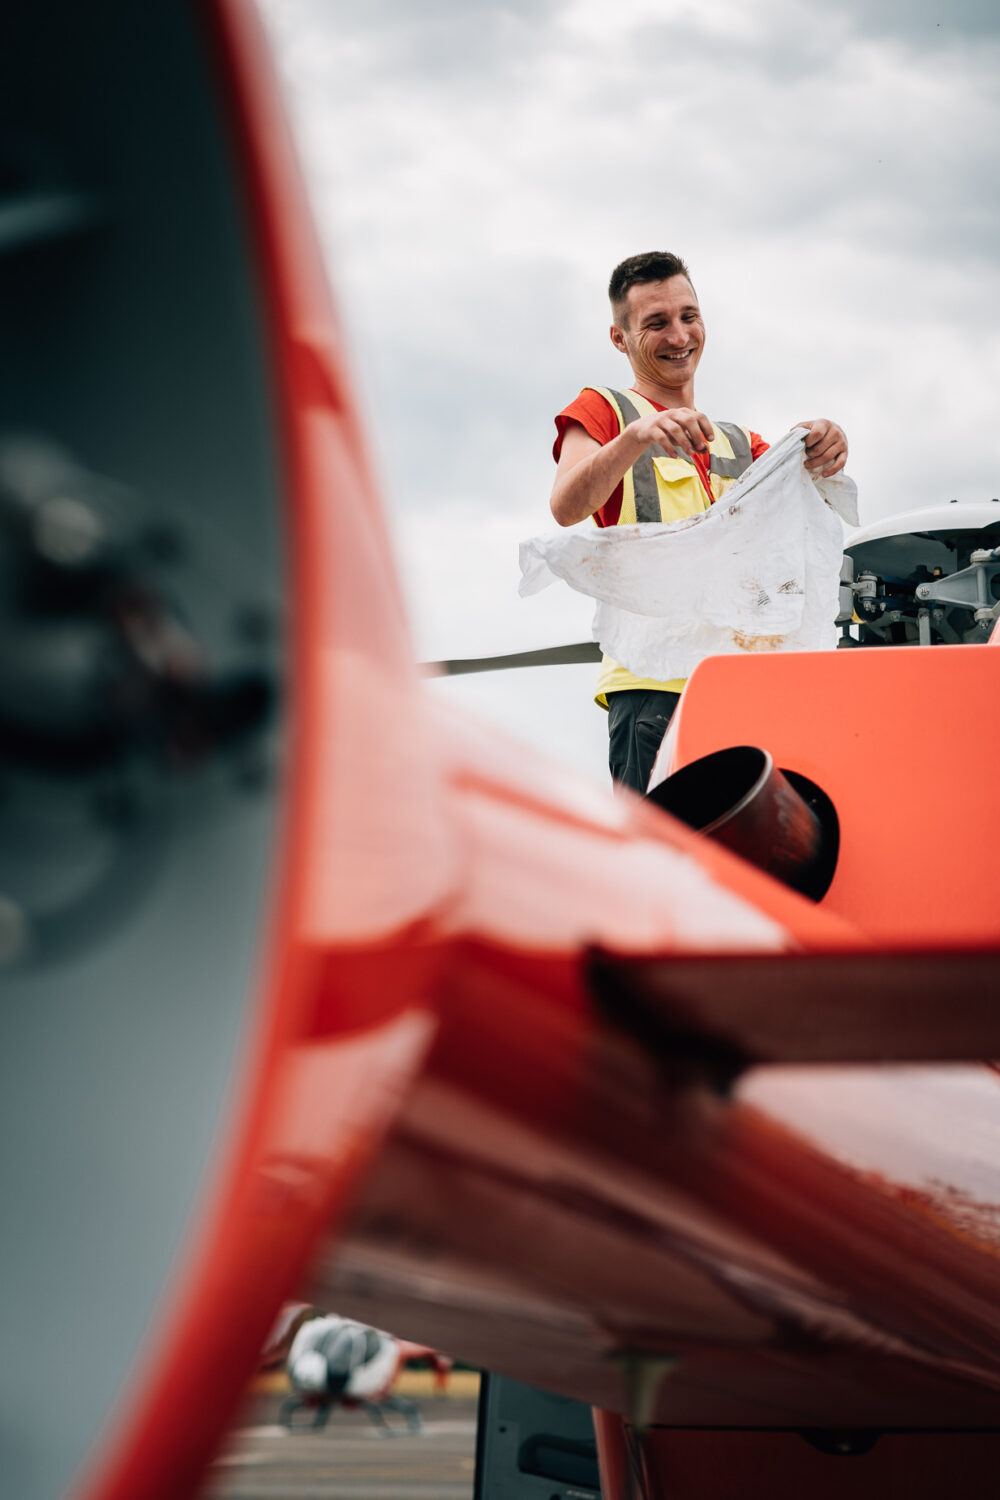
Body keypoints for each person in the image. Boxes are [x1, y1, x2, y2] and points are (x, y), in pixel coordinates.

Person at [550, 251, 848, 794]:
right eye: (656, 323)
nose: (678, 334)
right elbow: (566, 504)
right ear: (620, 339)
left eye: (689, 316)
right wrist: (638, 435)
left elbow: (806, 514)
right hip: (653, 689)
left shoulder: (740, 444)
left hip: (740, 689)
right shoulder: (605, 411)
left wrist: (825, 441)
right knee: (660, 873)